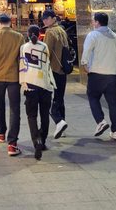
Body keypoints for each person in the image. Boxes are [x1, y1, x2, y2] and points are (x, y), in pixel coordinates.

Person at [0, 13, 25, 156]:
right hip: (14, 78)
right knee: (15, 109)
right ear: (10, 23)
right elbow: (22, 58)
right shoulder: (19, 37)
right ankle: (12, 144)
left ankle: (1, 132)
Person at [81, 12, 116, 141]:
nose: (92, 22)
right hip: (112, 74)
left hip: (97, 73)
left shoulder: (93, 35)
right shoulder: (115, 36)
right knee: (113, 103)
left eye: (94, 20)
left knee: (93, 97)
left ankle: (100, 121)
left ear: (97, 22)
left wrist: (84, 64)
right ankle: (115, 131)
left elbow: (86, 51)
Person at [19, 24, 56, 159]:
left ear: (28, 35)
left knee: (32, 116)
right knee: (44, 114)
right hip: (45, 85)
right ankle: (43, 139)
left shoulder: (24, 48)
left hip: (30, 86)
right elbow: (47, 64)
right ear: (40, 34)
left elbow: (22, 65)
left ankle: (37, 141)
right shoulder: (44, 47)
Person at [42, 9, 70, 139]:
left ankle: (58, 121)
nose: (45, 21)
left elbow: (46, 52)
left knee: (49, 99)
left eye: (47, 18)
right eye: (44, 19)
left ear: (53, 18)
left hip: (53, 69)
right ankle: (62, 125)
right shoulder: (62, 31)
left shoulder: (50, 32)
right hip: (64, 68)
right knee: (60, 98)